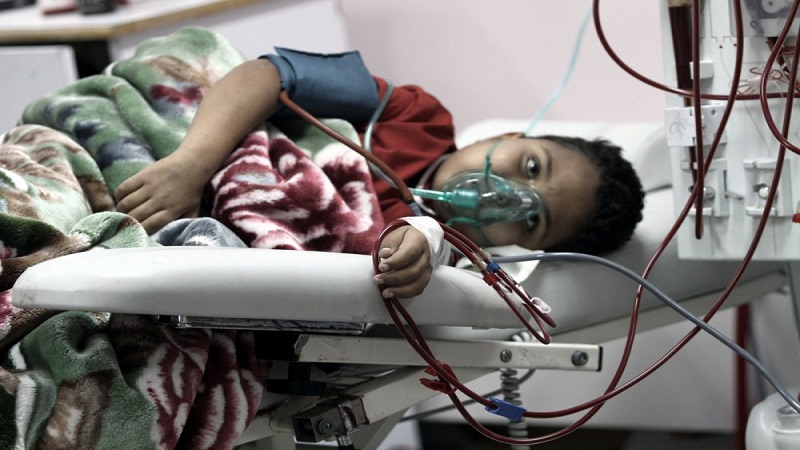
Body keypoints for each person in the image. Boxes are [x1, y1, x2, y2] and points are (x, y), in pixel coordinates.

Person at [114, 49, 644, 300]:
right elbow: (270, 75)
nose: (507, 194)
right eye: (530, 166)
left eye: (531, 219)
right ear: (507, 135)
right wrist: (189, 165)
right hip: (186, 155)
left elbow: (390, 255)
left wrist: (422, 248)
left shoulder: (443, 261)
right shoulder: (417, 117)